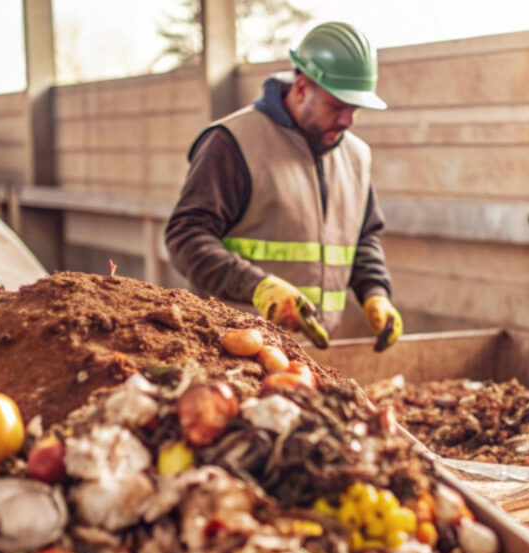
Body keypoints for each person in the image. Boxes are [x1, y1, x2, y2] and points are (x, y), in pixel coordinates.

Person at [165, 21, 402, 351]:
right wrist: (257, 288)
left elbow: (362, 238)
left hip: (311, 354)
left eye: (355, 109)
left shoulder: (356, 156)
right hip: (236, 350)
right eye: (337, 106)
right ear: (303, 88)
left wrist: (375, 291)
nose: (348, 121)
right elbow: (186, 238)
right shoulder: (232, 143)